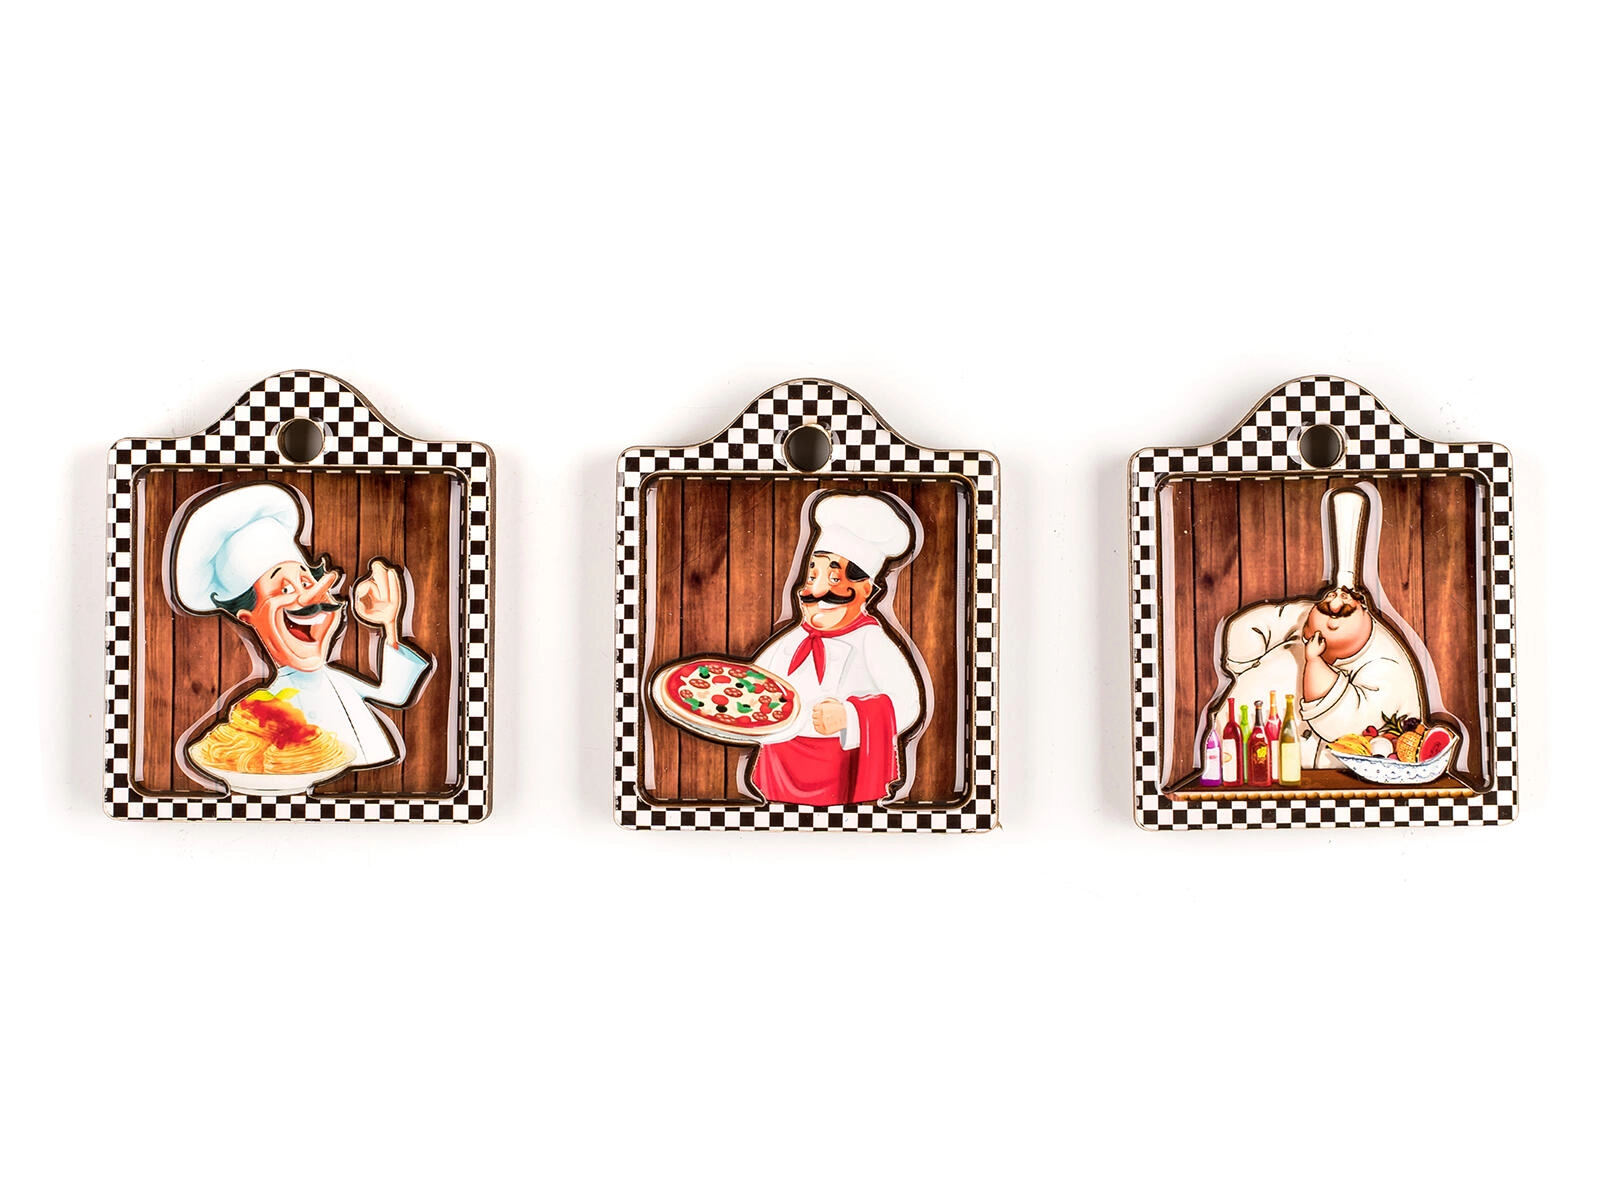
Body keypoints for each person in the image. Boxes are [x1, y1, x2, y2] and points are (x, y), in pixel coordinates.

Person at [171, 481, 430, 770]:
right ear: (247, 617)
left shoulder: (340, 680)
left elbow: (395, 695)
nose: (309, 599)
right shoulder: (264, 712)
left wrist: (389, 623)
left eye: (306, 582)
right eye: (284, 589)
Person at [748, 492, 923, 805]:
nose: (815, 591)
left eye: (833, 578)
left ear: (865, 589)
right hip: (779, 765)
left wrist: (850, 716)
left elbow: (908, 705)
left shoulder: (871, 641)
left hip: (841, 769)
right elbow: (752, 682)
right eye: (812, 575)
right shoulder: (791, 640)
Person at [1217, 584, 1423, 767]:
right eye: (1330, 600)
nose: (1335, 601)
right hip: (1235, 745)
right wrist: (1243, 663)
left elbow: (1343, 726)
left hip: (1317, 777)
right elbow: (1250, 627)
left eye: (1341, 608)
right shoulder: (1304, 616)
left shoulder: (1386, 665)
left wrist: (1314, 661)